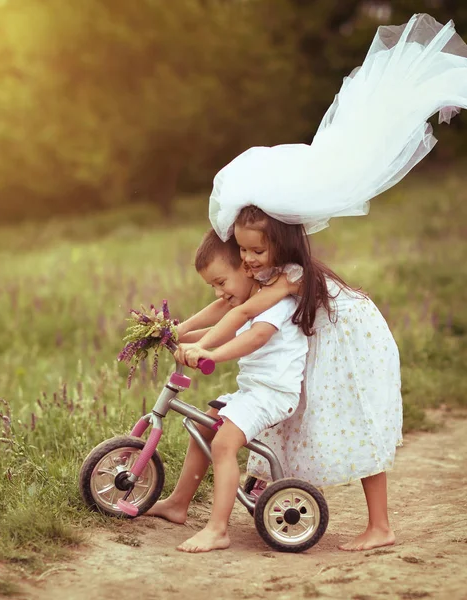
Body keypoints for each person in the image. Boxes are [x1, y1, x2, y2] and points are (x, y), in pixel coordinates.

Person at [179, 13, 467, 551]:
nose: (246, 260)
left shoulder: (289, 279)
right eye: (241, 249)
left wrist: (201, 347)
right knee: (290, 412)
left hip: (351, 341)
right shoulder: (269, 272)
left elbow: (242, 316)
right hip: (321, 340)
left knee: (351, 421)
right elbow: (227, 304)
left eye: (255, 249)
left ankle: (380, 525)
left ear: (286, 243)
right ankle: (269, 489)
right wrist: (184, 330)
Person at [146, 229, 308, 553]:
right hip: (255, 391)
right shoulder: (247, 298)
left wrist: (210, 354)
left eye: (221, 282)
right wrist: (178, 336)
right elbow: (220, 322)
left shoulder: (276, 302)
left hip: (273, 393)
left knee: (223, 444)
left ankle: (218, 530)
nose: (219, 292)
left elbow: (254, 338)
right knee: (205, 428)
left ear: (247, 270)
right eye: (213, 286)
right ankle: (178, 504)